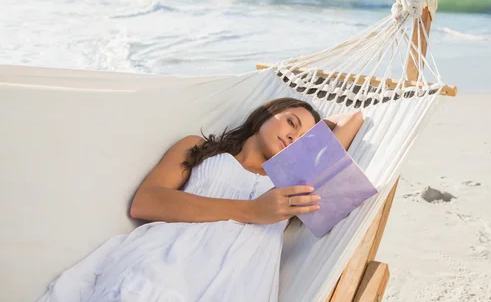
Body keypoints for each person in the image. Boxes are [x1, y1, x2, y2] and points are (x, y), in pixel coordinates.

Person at [38, 97, 364, 302]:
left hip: (238, 283)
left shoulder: (293, 178)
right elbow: (146, 203)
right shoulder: (201, 148)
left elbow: (354, 119)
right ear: (267, 111)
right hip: (171, 262)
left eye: (305, 138)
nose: (294, 136)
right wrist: (251, 210)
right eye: (291, 121)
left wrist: (309, 145)